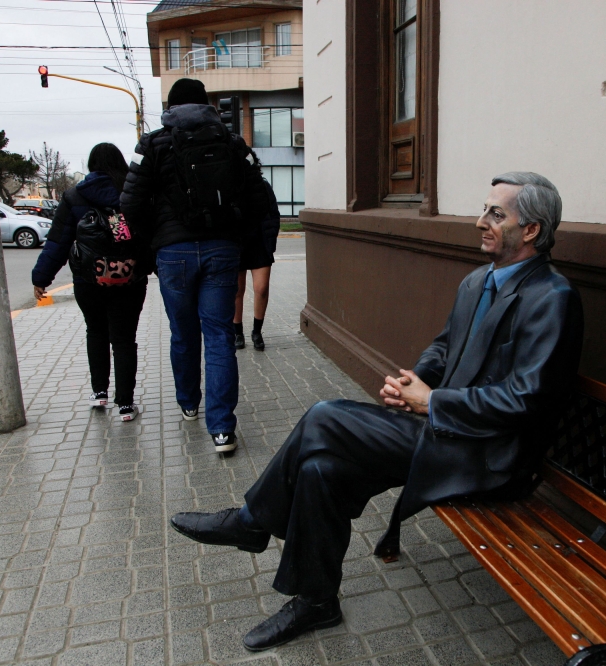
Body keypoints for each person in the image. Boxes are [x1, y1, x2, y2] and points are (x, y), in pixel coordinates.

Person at [169, 172, 584, 650]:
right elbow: (446, 347)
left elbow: (528, 400)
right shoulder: (478, 281)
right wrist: (416, 379)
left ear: (530, 230)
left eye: (496, 214)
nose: (479, 222)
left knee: (326, 416)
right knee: (321, 468)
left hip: (490, 457)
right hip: (445, 433)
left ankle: (251, 521)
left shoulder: (553, 299)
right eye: (484, 210)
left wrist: (432, 402)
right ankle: (316, 602)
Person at [121, 78, 270, 455]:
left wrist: (151, 243)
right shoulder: (232, 142)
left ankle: (188, 402)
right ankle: (222, 429)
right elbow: (258, 198)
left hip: (173, 253)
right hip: (222, 251)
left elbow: (130, 202)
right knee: (219, 335)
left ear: (171, 106)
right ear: (206, 104)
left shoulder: (152, 144)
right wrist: (238, 238)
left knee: (183, 333)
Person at [32, 143, 150, 421]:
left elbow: (58, 242)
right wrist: (145, 269)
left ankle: (100, 393)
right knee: (123, 339)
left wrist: (41, 278)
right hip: (129, 280)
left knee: (96, 332)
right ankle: (125, 404)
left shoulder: (75, 196)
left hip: (88, 280)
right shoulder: (133, 194)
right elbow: (147, 238)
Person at [233, 156, 280, 351]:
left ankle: (257, 331)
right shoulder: (231, 187)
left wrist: (270, 240)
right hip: (237, 244)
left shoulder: (263, 186)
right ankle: (237, 333)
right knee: (236, 290)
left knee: (261, 288)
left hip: (260, 243)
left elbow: (274, 214)